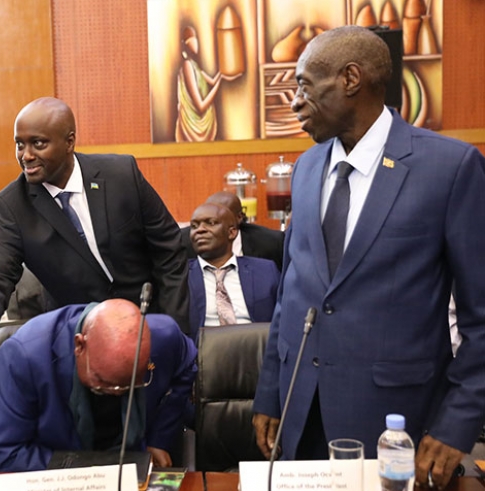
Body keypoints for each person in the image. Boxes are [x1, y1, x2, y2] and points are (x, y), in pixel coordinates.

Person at [251, 26, 485, 488]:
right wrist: (272, 394)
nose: (295, 102)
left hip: (397, 426)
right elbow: (292, 293)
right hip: (302, 415)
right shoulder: (306, 167)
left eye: (304, 86)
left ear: (350, 79)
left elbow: (482, 318)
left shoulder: (450, 168)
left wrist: (457, 421)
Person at [0, 97, 190, 334]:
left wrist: (173, 327)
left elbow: (169, 250)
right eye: (20, 144)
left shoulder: (121, 175)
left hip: (150, 321)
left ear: (69, 142)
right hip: (82, 335)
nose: (26, 155)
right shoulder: (13, 205)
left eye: (38, 143)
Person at [0, 299, 197, 472]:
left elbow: (187, 368)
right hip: (59, 475)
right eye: (103, 383)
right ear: (79, 345)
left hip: (135, 468)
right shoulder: (24, 356)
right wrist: (93, 469)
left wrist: (159, 438)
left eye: (129, 386)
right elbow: (4, 453)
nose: (117, 394)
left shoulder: (163, 336)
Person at [187, 202, 278, 331]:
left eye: (211, 223)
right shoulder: (180, 275)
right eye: (194, 226)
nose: (200, 230)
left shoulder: (265, 270)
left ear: (232, 232)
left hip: (256, 341)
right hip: (202, 343)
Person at [181, 190, 285, 271]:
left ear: (239, 217)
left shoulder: (270, 242)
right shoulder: (182, 242)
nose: (202, 229)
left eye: (212, 222)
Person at [175, 26, 240, 142]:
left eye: (196, 39)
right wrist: (218, 84)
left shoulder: (195, 66)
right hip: (193, 126)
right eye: (192, 40)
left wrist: (228, 74)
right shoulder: (187, 66)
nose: (196, 43)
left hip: (202, 123)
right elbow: (201, 106)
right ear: (186, 44)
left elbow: (213, 81)